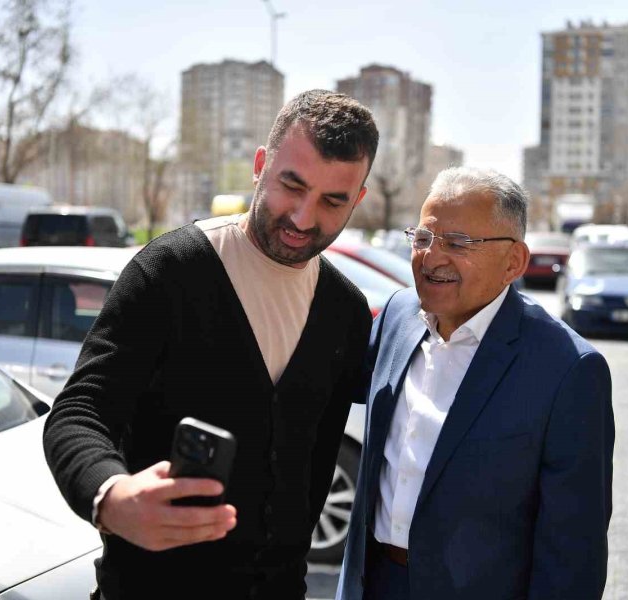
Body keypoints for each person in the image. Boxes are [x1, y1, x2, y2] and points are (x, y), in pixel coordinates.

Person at [43, 89, 379, 599]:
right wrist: (110, 495)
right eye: (292, 185)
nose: (304, 219)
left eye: (333, 201)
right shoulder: (170, 271)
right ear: (260, 166)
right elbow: (78, 413)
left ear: (357, 199)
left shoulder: (346, 311)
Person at [337, 167, 615, 600]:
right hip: (374, 584)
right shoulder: (396, 316)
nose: (432, 257)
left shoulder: (568, 370)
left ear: (514, 262)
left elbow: (573, 554)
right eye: (424, 238)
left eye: (458, 243)